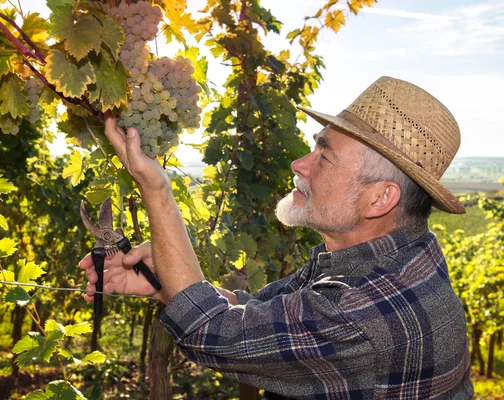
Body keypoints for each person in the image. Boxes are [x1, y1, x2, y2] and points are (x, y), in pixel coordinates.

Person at [79, 76, 474, 399]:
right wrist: (163, 281)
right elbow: (255, 311)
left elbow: (209, 330)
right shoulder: (398, 255)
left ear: (381, 198)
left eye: (324, 156)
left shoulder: (361, 310)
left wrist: (155, 188)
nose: (299, 164)